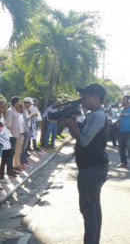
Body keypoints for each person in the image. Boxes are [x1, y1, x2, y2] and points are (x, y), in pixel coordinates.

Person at [64, 83, 109, 244]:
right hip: (92, 167)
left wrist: (70, 125)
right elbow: (84, 136)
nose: (82, 99)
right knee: (93, 207)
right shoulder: (94, 114)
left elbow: (83, 141)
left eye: (85, 96)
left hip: (92, 169)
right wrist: (74, 125)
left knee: (89, 210)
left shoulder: (97, 116)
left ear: (95, 98)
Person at [2, 97, 21, 178]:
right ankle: (9, 170)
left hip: (15, 135)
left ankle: (11, 168)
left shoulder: (14, 111)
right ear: (15, 102)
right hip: (11, 136)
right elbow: (8, 124)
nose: (19, 104)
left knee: (12, 153)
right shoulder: (10, 111)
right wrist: (9, 135)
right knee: (10, 153)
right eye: (18, 102)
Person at [116, 95, 130, 168]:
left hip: (129, 132)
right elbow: (120, 119)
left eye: (123, 100)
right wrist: (114, 123)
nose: (122, 101)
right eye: (122, 100)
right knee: (121, 147)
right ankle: (123, 163)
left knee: (129, 147)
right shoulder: (122, 109)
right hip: (121, 131)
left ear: (128, 101)